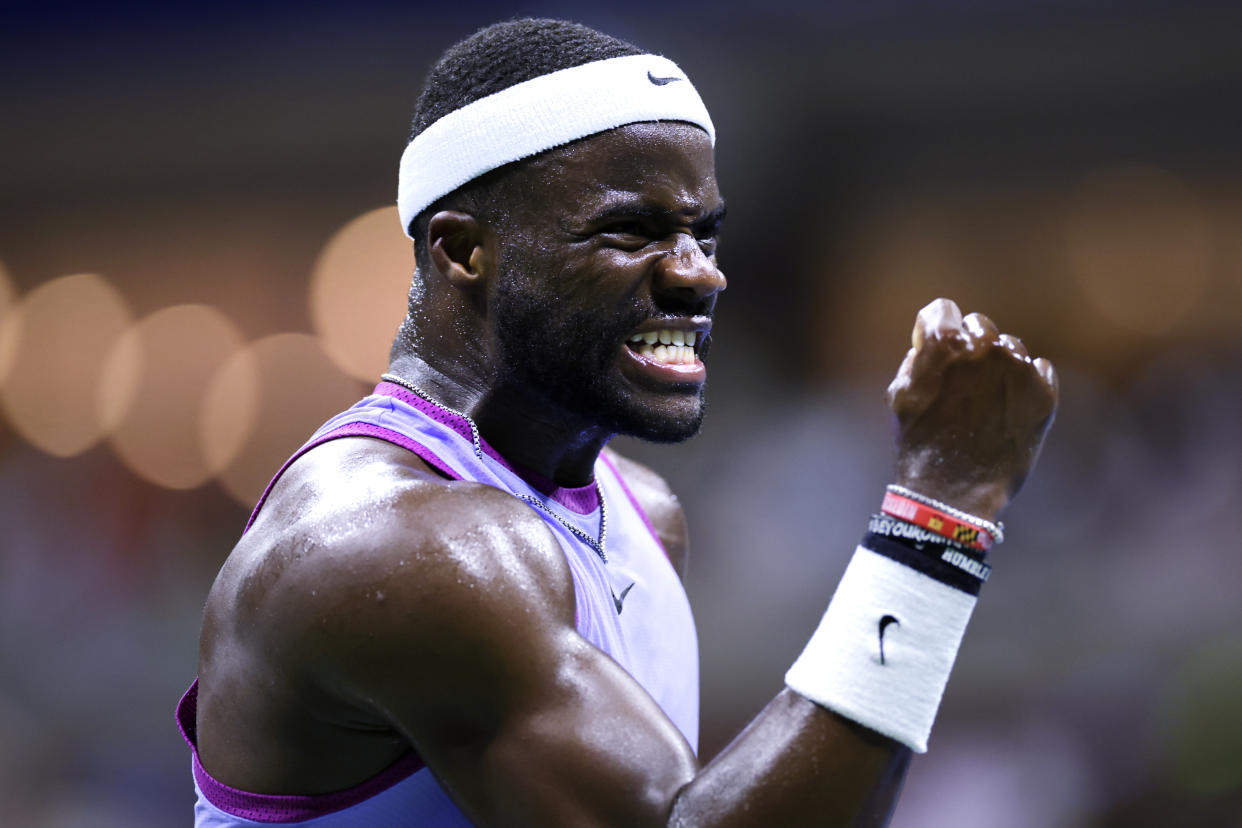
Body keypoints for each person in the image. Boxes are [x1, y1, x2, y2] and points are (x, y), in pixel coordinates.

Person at [177, 18, 1058, 827]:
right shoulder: (400, 547)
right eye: (631, 231)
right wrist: (942, 506)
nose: (699, 275)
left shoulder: (639, 512)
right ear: (463, 251)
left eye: (703, 235)